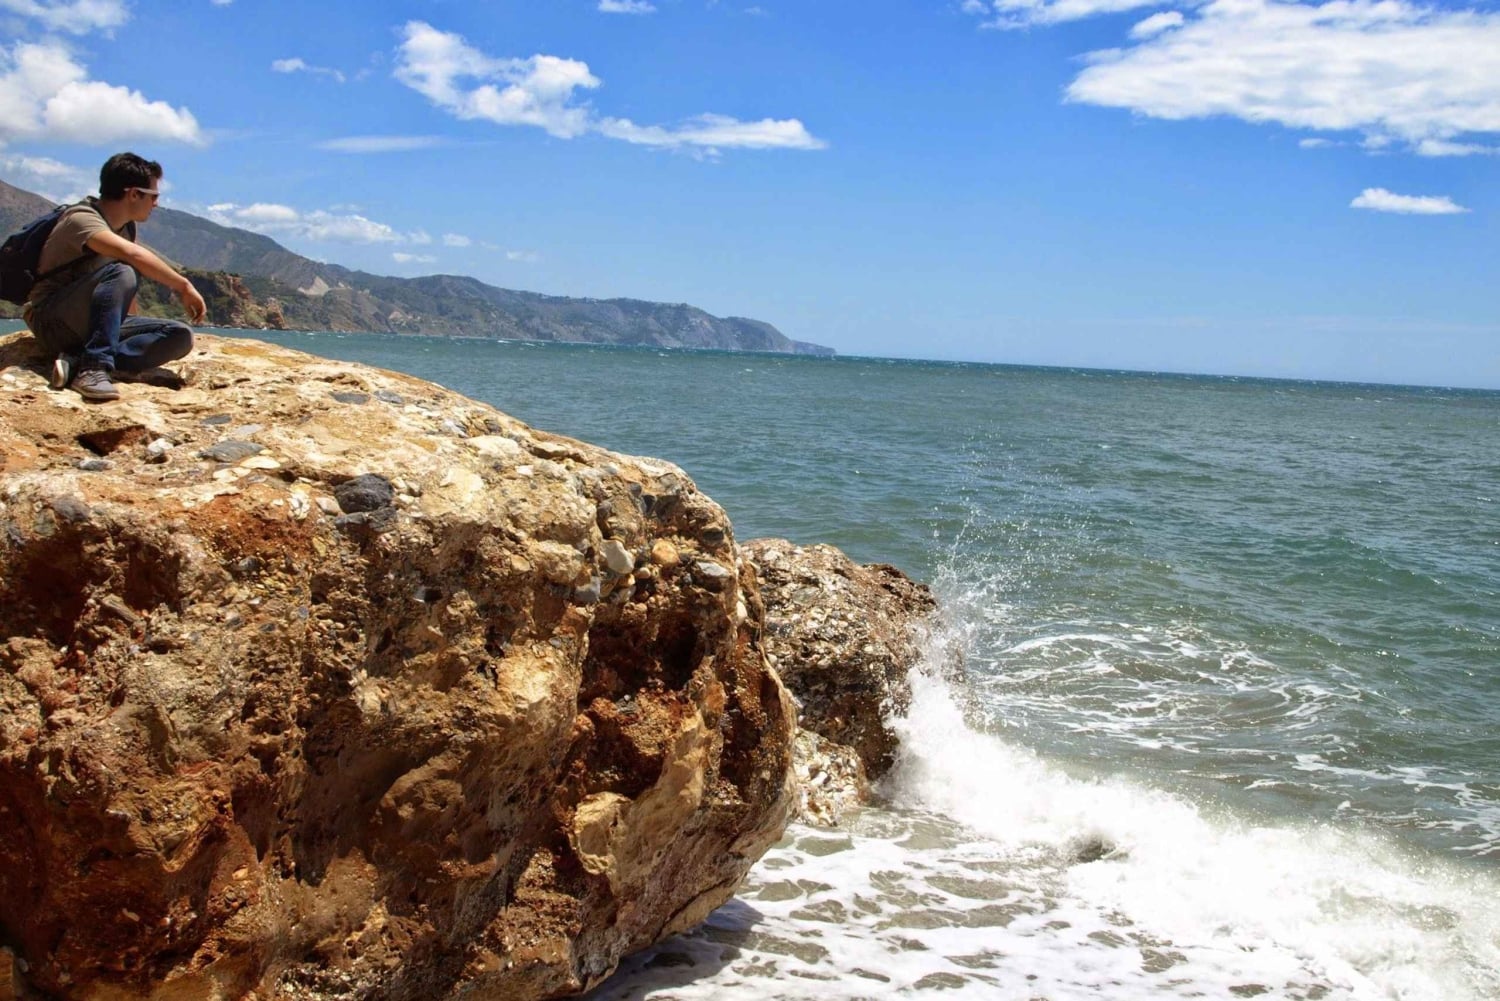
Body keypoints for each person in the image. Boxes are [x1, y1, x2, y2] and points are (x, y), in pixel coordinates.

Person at [23, 152, 206, 402]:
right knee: (123, 271)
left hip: (88, 325)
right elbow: (129, 256)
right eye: (154, 196)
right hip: (51, 320)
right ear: (133, 194)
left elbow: (118, 293)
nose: (156, 203)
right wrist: (183, 286)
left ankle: (78, 360)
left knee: (179, 336)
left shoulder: (125, 227)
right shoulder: (81, 219)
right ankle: (93, 369)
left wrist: (129, 323)